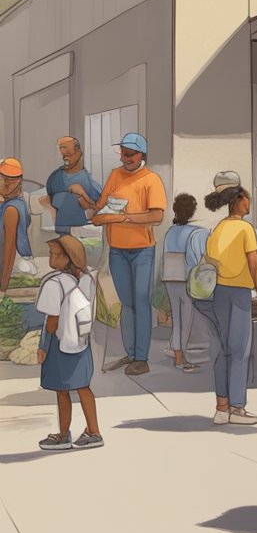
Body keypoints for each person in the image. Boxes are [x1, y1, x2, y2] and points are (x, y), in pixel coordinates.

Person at [200, 178, 257, 426]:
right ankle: (237, 408)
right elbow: (254, 264)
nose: (249, 203)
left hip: (218, 292)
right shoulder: (245, 229)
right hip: (240, 293)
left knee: (222, 351)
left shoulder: (218, 228)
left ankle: (222, 408)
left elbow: (210, 261)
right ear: (240, 200)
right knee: (240, 352)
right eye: (247, 199)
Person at [92, 133, 167, 376]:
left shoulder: (151, 179)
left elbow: (156, 216)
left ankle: (141, 358)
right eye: (123, 153)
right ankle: (131, 352)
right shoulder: (115, 175)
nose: (126, 158)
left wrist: (123, 217)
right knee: (127, 303)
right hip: (117, 251)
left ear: (142, 155)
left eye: (131, 154)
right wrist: (110, 216)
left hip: (143, 251)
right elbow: (98, 214)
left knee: (141, 302)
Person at [36, 235, 102, 451]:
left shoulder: (54, 283)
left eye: (56, 255)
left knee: (61, 391)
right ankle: (93, 431)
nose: (51, 259)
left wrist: (43, 346)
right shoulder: (87, 279)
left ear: (69, 258)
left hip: (59, 344)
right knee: (83, 387)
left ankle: (66, 434)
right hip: (81, 341)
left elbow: (51, 322)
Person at [162, 194, 208, 373]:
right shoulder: (197, 232)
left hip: (170, 276)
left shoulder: (170, 231)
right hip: (187, 279)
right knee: (185, 320)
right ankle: (181, 358)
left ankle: (178, 354)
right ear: (192, 211)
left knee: (177, 318)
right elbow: (196, 258)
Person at [43, 137, 101, 235]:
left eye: (69, 155)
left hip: (82, 232)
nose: (65, 159)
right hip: (60, 231)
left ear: (79, 153)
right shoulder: (54, 178)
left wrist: (85, 200)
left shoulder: (88, 180)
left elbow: (100, 207)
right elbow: (50, 202)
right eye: (63, 155)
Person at [0, 157, 33, 294]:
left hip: (6, 265)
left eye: (6, 181)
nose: (3, 184)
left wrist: (2, 288)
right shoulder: (9, 203)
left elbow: (10, 249)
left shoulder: (11, 210)